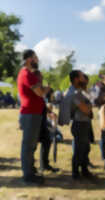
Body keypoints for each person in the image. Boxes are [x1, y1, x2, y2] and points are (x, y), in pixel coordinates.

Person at [17, 49, 50, 184]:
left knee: (31, 145)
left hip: (33, 113)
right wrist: (46, 89)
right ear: (28, 59)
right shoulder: (27, 74)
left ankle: (30, 170)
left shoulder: (27, 74)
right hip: (30, 113)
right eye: (35, 57)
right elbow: (40, 92)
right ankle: (27, 175)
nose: (37, 60)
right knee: (28, 145)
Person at [64, 70, 93, 180]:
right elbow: (86, 109)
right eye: (81, 77)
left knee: (85, 148)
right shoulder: (73, 93)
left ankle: (84, 170)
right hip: (79, 123)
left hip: (84, 123)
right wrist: (89, 106)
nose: (84, 79)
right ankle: (75, 173)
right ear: (76, 79)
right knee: (79, 150)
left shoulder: (79, 91)